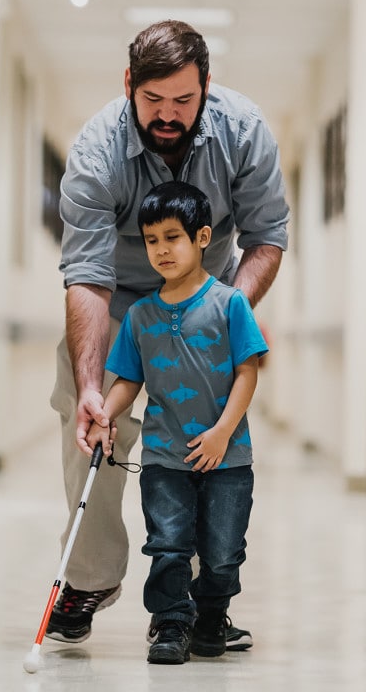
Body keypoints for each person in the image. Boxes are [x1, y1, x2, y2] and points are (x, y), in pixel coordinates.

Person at [47, 19, 288, 647]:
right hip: (121, 301)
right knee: (89, 413)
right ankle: (90, 576)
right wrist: (92, 383)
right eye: (153, 100)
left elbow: (267, 237)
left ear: (206, 87)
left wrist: (224, 310)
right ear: (129, 84)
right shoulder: (97, 150)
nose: (168, 115)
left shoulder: (244, 130)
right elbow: (89, 276)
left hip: (209, 295)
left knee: (206, 439)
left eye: (184, 100)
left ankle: (196, 602)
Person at [85, 181, 268, 664]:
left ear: (203, 237)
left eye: (173, 237)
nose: (161, 250)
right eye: (151, 240)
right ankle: (170, 624)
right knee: (167, 545)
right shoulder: (141, 316)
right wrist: (106, 411)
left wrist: (223, 432)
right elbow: (128, 379)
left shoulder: (230, 304)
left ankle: (211, 615)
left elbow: (248, 371)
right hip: (165, 456)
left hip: (227, 458)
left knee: (223, 551)